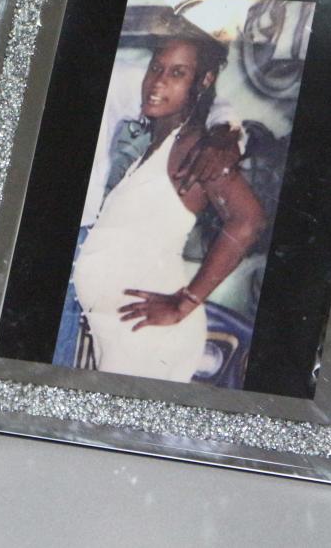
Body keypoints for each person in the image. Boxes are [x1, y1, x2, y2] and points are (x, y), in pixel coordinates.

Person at [71, 24, 266, 382]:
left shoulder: (193, 149)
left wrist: (184, 303)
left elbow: (248, 220)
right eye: (156, 68)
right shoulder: (159, 146)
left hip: (147, 337)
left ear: (204, 81)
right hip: (123, 332)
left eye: (178, 73)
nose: (158, 82)